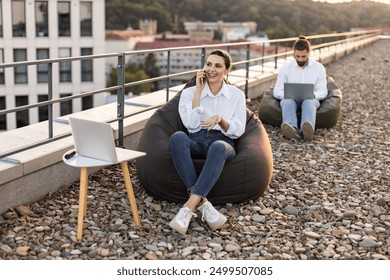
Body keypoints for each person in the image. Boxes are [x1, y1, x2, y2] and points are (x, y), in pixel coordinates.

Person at [168, 49, 246, 235]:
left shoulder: (236, 95)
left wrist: (220, 119)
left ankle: (188, 207)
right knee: (177, 137)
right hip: (197, 139)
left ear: (227, 70)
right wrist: (198, 91)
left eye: (218, 66)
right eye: (208, 64)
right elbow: (192, 125)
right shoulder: (189, 93)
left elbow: (238, 130)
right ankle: (203, 204)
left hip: (223, 142)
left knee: (218, 146)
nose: (212, 69)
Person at [273, 35, 327, 141]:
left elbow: (323, 91)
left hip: (310, 99)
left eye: (303, 57)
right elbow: (276, 90)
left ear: (308, 53)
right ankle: (292, 130)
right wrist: (288, 94)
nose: (300, 59)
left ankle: (307, 130)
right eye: (297, 56)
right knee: (288, 101)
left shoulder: (319, 68)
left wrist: (313, 95)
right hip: (291, 99)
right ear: (294, 52)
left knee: (308, 101)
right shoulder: (286, 68)